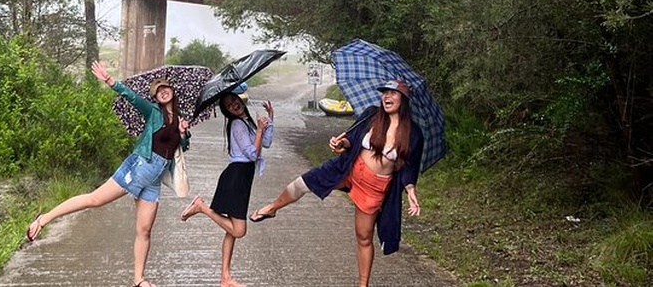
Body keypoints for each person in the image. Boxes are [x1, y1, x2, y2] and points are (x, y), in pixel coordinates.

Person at [26, 61, 191, 287]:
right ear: (156, 97)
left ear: (173, 91)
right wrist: (109, 81)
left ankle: (138, 279)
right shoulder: (153, 112)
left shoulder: (180, 118)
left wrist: (183, 133)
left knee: (144, 230)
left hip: (154, 180)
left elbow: (181, 147)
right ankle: (43, 219)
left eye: (165, 88)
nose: (162, 91)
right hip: (138, 167)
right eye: (157, 91)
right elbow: (133, 97)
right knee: (94, 200)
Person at [248, 80, 423, 287]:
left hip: (374, 186)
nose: (386, 97)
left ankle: (363, 284)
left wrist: (410, 191)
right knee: (304, 182)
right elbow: (351, 138)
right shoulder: (371, 115)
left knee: (364, 237)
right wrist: (341, 143)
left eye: (392, 93)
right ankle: (273, 207)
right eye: (385, 92)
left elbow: (410, 167)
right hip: (349, 168)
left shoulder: (413, 133)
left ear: (403, 99)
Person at [179, 93, 274, 287]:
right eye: (228, 106)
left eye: (234, 101)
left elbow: (266, 142)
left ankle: (225, 278)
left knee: (231, 231)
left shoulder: (246, 121)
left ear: (241, 101)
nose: (233, 105)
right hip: (236, 178)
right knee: (239, 231)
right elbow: (252, 154)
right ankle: (201, 207)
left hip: (242, 178)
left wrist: (270, 119)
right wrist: (259, 131)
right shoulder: (238, 125)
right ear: (227, 111)